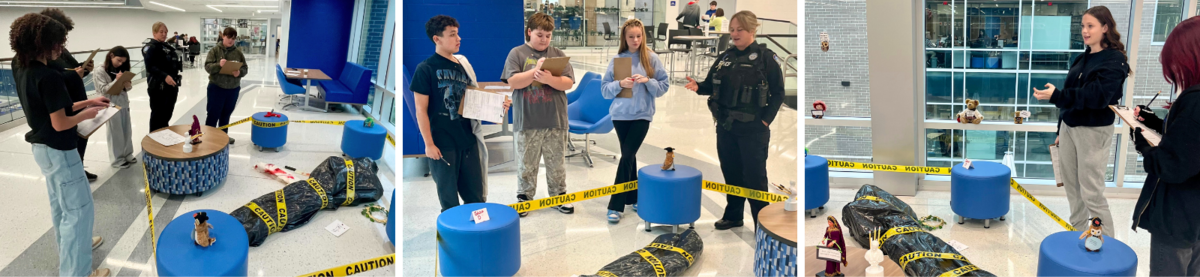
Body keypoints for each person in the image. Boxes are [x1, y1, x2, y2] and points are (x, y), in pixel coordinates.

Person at [9, 12, 112, 277]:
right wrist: (86, 115)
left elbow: (53, 108)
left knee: (61, 208)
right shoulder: (49, 76)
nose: (61, 48)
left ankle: (69, 255)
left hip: (42, 148)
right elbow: (61, 122)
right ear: (42, 42)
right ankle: (78, 272)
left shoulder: (20, 66)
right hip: (59, 150)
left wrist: (88, 102)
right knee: (79, 213)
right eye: (57, 42)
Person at [682, 10, 784, 230]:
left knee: (755, 178)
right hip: (726, 126)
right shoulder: (725, 57)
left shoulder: (766, 58)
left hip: (753, 128)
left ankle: (762, 224)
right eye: (732, 30)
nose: (735, 34)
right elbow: (710, 85)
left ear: (752, 30)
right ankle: (734, 215)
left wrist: (765, 121)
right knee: (731, 172)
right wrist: (699, 86)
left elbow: (778, 93)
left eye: (740, 30)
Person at [1032, 6, 1129, 237]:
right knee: (1073, 190)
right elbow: (1072, 94)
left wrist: (1056, 96)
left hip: (1093, 132)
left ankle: (1105, 243)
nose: (1085, 31)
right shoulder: (1081, 58)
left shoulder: (1115, 61)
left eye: (1090, 26)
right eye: (1083, 26)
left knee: (1091, 192)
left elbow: (1096, 97)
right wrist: (1059, 128)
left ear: (1105, 28)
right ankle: (1076, 236)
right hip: (1069, 127)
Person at [412, 15, 511, 212]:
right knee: (449, 199)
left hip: (467, 140)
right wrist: (429, 144)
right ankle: (455, 238)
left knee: (476, 194)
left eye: (458, 34)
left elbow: (472, 101)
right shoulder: (425, 69)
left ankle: (478, 233)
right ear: (436, 39)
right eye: (453, 35)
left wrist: (497, 105)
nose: (459, 39)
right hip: (442, 144)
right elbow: (420, 110)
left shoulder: (462, 65)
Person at [1129, 15, 1200, 276]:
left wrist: (1144, 148)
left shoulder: (1194, 102)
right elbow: (1188, 142)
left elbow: (1172, 165)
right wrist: (1155, 122)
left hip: (1177, 218)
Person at [503, 12, 575, 217]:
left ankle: (558, 195)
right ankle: (524, 197)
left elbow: (568, 82)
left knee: (556, 162)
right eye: (540, 34)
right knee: (527, 163)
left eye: (548, 35)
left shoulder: (558, 54)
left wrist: (550, 78)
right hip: (527, 119)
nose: (544, 39)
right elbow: (513, 82)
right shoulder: (516, 53)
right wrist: (535, 72)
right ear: (529, 32)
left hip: (555, 118)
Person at [601, 18, 669, 223]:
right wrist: (619, 84)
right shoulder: (619, 59)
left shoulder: (651, 58)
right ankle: (634, 196)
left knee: (627, 155)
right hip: (620, 116)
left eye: (639, 36)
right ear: (625, 37)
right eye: (631, 36)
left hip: (642, 115)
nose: (635, 40)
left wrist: (648, 81)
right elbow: (605, 90)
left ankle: (615, 205)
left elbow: (664, 86)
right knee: (629, 157)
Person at [28, 8, 100, 182]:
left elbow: (70, 70)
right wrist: (75, 74)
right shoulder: (42, 60)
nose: (61, 46)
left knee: (81, 139)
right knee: (73, 142)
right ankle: (77, 170)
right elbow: (56, 78)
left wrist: (84, 69)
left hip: (74, 101)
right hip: (62, 108)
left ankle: (79, 167)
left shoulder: (60, 51)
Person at [92, 46, 136, 169]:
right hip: (109, 103)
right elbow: (103, 90)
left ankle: (127, 153)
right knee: (115, 131)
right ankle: (117, 159)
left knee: (127, 129)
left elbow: (127, 88)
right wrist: (116, 81)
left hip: (123, 102)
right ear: (111, 56)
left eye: (123, 61)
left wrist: (127, 84)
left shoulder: (122, 68)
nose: (120, 63)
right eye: (118, 60)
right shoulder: (100, 70)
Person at [204, 27, 248, 144]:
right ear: (223, 36)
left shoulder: (238, 52)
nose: (231, 41)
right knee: (213, 114)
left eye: (233, 39)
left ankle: (223, 137)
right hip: (216, 88)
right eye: (229, 38)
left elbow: (245, 68)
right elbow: (208, 67)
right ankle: (209, 138)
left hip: (233, 89)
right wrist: (219, 65)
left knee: (226, 113)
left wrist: (240, 73)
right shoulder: (214, 51)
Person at [144, 22, 183, 133]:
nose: (164, 34)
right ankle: (154, 139)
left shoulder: (167, 47)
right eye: (161, 32)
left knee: (167, 114)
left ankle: (164, 136)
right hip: (158, 86)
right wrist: (164, 76)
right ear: (154, 33)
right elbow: (150, 67)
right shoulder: (150, 48)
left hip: (171, 85)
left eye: (166, 32)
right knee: (157, 115)